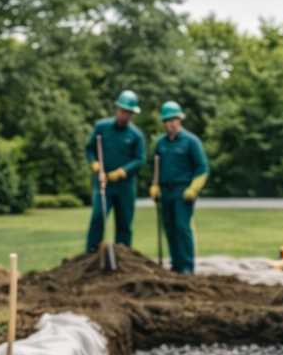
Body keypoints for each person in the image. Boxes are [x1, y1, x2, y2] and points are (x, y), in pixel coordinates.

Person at [149, 100, 209, 274]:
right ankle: (175, 265)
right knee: (169, 228)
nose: (171, 123)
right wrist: (155, 186)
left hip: (183, 192)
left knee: (182, 227)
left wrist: (194, 189)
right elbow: (155, 169)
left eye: (174, 119)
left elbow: (202, 168)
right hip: (165, 191)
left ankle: (187, 267)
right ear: (163, 123)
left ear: (180, 120)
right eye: (167, 120)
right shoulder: (160, 144)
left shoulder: (191, 141)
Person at [85, 89, 146, 254]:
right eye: (123, 111)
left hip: (125, 186)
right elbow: (89, 149)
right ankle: (91, 254)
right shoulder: (101, 127)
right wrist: (94, 164)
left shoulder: (136, 135)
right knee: (98, 217)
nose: (125, 115)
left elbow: (140, 159)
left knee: (124, 223)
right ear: (117, 109)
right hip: (103, 183)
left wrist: (122, 172)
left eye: (129, 113)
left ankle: (124, 255)